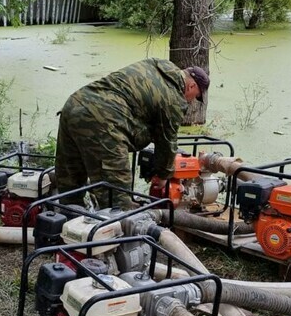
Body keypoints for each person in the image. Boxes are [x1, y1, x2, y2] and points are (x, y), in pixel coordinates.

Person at [55, 58, 209, 208]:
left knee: (70, 186)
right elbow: (167, 141)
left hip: (74, 105)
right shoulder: (174, 99)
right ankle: (117, 229)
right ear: (191, 86)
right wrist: (163, 176)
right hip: (103, 120)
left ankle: (65, 222)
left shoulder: (157, 65)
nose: (191, 101)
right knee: (116, 198)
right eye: (195, 97)